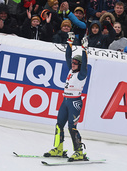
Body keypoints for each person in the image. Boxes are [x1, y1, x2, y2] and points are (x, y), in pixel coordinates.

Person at [44, 33, 88, 162]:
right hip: (65, 100)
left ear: (79, 65)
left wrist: (84, 50)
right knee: (59, 125)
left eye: (75, 63)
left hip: (75, 102)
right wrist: (69, 42)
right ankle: (58, 148)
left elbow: (85, 64)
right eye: (73, 62)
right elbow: (67, 56)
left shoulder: (82, 74)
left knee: (72, 127)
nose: (72, 64)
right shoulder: (71, 70)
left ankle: (79, 151)